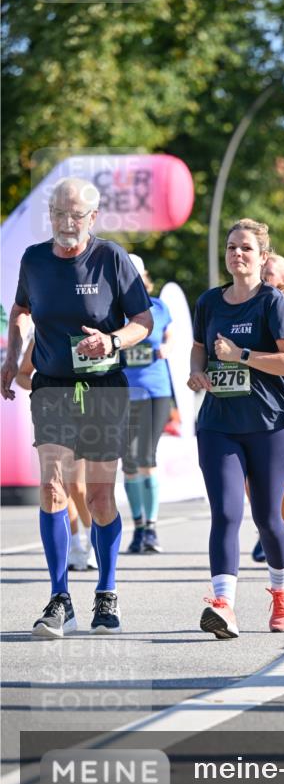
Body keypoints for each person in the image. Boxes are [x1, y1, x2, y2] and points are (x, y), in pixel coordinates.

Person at [0, 176, 152, 637]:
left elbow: (142, 321)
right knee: (52, 487)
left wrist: (112, 340)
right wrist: (11, 358)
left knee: (100, 497)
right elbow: (20, 310)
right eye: (59, 214)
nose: (67, 223)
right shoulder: (34, 259)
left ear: (93, 217)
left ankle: (106, 592)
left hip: (103, 388)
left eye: (76, 215)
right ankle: (59, 598)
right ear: (50, 215)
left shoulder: (111, 258)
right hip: (52, 388)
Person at [189, 219, 284, 639]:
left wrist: (241, 355)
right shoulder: (209, 302)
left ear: (262, 257)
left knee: (267, 516)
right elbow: (198, 349)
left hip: (271, 424)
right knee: (225, 512)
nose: (237, 254)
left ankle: (282, 588)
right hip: (219, 424)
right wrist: (197, 372)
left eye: (246, 248)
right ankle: (223, 605)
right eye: (231, 247)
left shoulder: (273, 303)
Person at [15, 335, 96, 571]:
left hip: (86, 414)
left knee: (78, 486)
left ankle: (93, 541)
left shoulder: (89, 333)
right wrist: (45, 387)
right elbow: (22, 375)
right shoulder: (42, 335)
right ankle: (75, 546)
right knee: (59, 485)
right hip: (53, 415)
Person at [250, 253, 284, 563]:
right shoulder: (245, 304)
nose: (264, 277)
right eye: (263, 271)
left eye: (270, 273)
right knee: (251, 479)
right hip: (253, 404)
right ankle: (267, 528)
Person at [122, 254, 174, 554]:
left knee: (146, 456)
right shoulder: (113, 310)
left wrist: (167, 346)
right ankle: (138, 527)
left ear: (145, 278)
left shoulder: (159, 307)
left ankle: (151, 528)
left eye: (137, 277)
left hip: (156, 391)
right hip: (124, 393)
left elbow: (170, 337)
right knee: (129, 460)